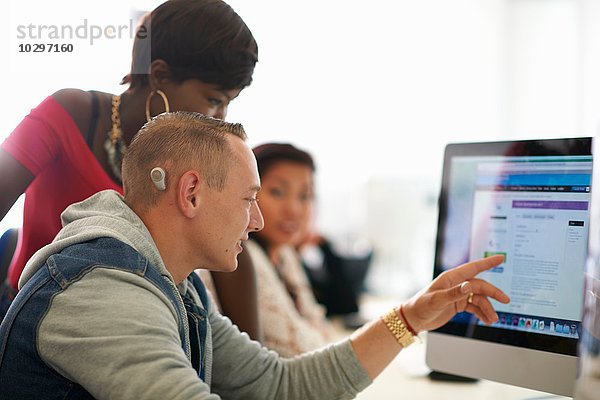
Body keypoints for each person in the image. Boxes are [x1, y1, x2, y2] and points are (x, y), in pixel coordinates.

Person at [0, 112, 510, 399]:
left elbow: (278, 384)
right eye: (249, 199)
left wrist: (411, 318)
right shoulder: (102, 289)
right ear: (192, 193)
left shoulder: (179, 284)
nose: (260, 220)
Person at [0, 0, 262, 338]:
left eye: (229, 103)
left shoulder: (196, 154)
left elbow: (231, 244)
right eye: (213, 99)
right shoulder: (69, 114)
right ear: (159, 75)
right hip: (37, 320)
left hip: (131, 327)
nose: (220, 118)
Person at [244, 143, 339, 356]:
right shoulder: (244, 256)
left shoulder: (284, 254)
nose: (293, 209)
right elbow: (300, 350)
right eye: (277, 192)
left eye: (304, 196)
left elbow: (318, 326)